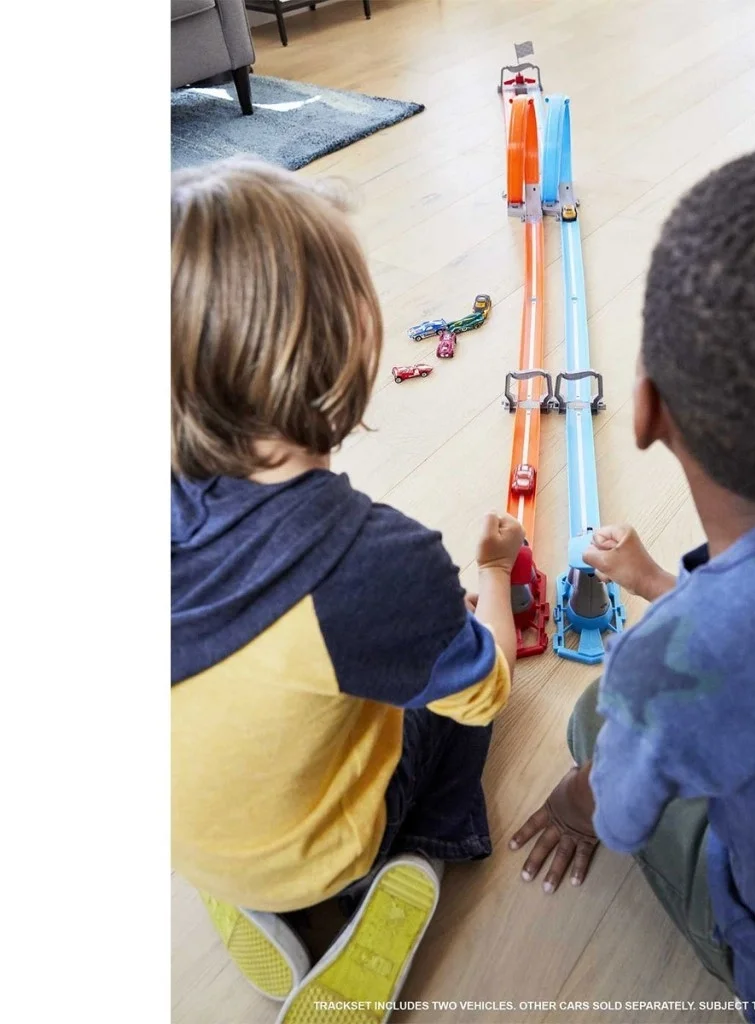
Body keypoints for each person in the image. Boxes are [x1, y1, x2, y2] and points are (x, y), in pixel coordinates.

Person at [170, 157, 525, 1023]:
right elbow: (488, 690)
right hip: (322, 854)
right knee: (456, 703)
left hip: (185, 843)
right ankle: (416, 858)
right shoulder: (377, 562)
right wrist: (490, 571)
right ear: (350, 348)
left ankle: (242, 887)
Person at [510, 146, 755, 1024]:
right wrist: (662, 580)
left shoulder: (664, 660)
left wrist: (573, 802)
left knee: (596, 715)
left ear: (648, 410)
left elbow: (621, 812)